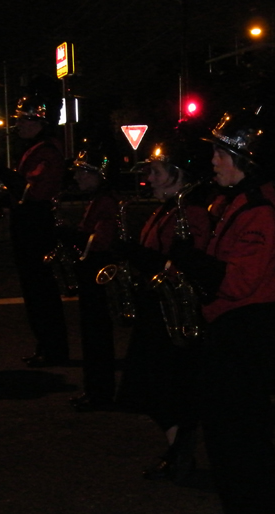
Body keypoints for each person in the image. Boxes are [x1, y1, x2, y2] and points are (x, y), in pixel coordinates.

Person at [171, 107, 275, 514]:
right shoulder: (235, 203)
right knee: (225, 439)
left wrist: (193, 262)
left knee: (245, 441)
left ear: (245, 161)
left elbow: (238, 281)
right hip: (231, 332)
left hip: (247, 335)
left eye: (222, 154)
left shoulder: (260, 211)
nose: (215, 162)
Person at [114, 132, 213, 480]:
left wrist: (138, 256)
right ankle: (178, 451)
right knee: (151, 389)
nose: (150, 178)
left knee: (169, 389)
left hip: (177, 317)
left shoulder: (194, 213)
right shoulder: (166, 209)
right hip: (156, 310)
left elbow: (183, 266)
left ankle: (180, 454)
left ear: (180, 176)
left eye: (157, 171)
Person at [0, 88, 69, 367]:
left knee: (41, 289)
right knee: (34, 289)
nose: (18, 125)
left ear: (39, 121)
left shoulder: (47, 151)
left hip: (36, 224)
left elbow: (31, 192)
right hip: (29, 222)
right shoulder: (36, 149)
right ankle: (46, 345)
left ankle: (54, 348)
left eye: (24, 120)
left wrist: (0, 171)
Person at [58, 147, 119, 412]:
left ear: (99, 175)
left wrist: (70, 236)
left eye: (84, 171)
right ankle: (95, 389)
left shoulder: (105, 201)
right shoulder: (99, 198)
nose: (78, 177)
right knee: (93, 337)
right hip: (94, 276)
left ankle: (99, 392)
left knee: (96, 338)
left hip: (99, 277)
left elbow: (100, 241)